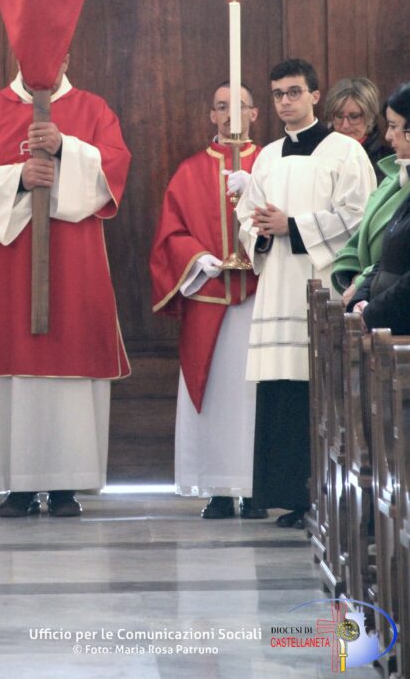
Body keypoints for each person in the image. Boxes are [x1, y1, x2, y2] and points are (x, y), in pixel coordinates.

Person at [0, 54, 131, 518]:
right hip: (5, 265)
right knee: (10, 367)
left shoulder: (92, 109)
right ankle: (17, 486)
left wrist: (66, 147)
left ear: (67, 56)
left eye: (55, 53)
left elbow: (113, 169)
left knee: (71, 361)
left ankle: (67, 485)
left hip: (73, 261)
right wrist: (20, 178)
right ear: (17, 55)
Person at [236, 59, 376, 528]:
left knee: (320, 391)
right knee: (282, 391)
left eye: (294, 92)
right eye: (278, 94)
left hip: (321, 288)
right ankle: (291, 496)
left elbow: (358, 218)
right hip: (277, 288)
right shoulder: (268, 156)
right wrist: (258, 230)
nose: (285, 102)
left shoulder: (345, 152)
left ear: (315, 96)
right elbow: (247, 216)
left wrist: (293, 226)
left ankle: (326, 498)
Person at [150, 84, 267, 520]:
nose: (229, 115)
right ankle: (218, 489)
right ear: (212, 116)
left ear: (254, 114)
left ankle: (258, 488)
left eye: (238, 106)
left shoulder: (270, 165)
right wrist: (199, 259)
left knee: (256, 395)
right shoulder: (189, 172)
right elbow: (170, 235)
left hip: (259, 297)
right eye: (221, 107)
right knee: (215, 393)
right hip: (209, 298)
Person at [332, 81, 410, 305]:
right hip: (370, 294)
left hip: (391, 301)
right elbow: (360, 237)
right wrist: (353, 277)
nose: (388, 136)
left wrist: (363, 283)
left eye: (354, 116)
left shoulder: (385, 164)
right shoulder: (394, 176)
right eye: (339, 116)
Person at [324, 76, 392, 183]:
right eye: (339, 116)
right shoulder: (320, 155)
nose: (345, 125)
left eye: (354, 116)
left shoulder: (389, 163)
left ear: (370, 117)